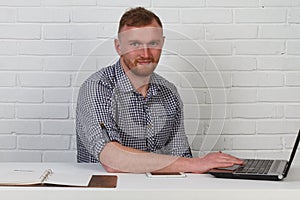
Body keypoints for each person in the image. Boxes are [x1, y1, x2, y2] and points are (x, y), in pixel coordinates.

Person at [76, 7, 243, 173]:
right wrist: (194, 164)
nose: (145, 53)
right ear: (119, 47)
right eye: (135, 44)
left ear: (162, 43)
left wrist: (211, 167)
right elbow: (112, 160)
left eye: (153, 43)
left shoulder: (168, 92)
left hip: (159, 190)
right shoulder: (98, 87)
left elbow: (180, 155)